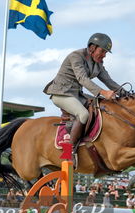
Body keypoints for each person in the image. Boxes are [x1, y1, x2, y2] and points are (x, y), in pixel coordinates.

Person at [43, 33, 123, 162]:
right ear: (92, 47)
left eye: (106, 53)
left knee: (103, 107)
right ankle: (68, 152)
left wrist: (127, 95)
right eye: (102, 51)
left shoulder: (98, 64)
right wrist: (104, 92)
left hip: (77, 95)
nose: (104, 55)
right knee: (83, 114)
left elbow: (109, 81)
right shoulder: (76, 56)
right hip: (61, 93)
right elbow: (83, 79)